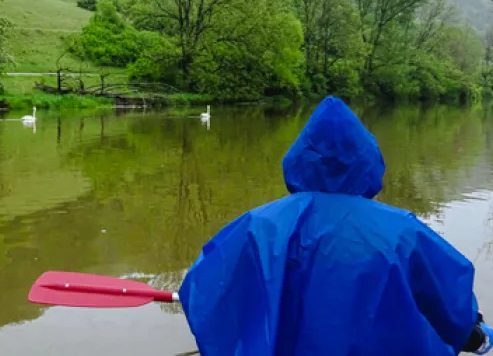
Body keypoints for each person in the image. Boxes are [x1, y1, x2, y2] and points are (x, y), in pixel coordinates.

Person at [178, 96, 493, 356]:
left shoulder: (255, 226)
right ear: (367, 159)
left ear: (300, 155)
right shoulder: (402, 233)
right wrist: (479, 337)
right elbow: (454, 312)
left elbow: (201, 292)